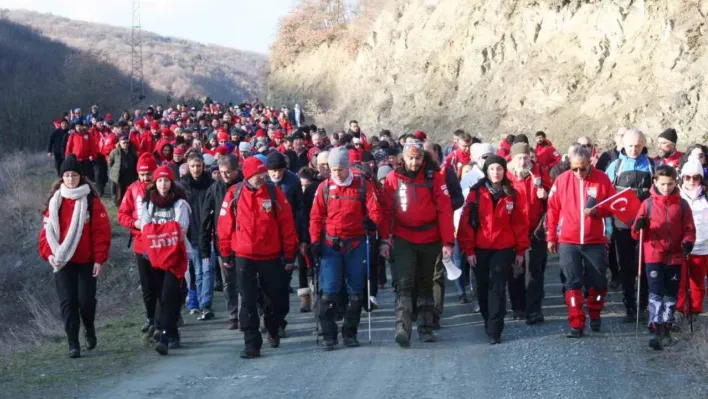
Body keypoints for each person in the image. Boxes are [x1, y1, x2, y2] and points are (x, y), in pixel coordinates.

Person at [217, 157, 298, 359]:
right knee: (248, 301)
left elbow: (287, 224)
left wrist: (289, 254)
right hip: (244, 256)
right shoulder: (234, 194)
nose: (261, 177)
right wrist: (225, 253)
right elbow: (224, 226)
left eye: (263, 174)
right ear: (248, 175)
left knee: (274, 299)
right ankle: (251, 343)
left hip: (270, 256)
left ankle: (273, 327)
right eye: (257, 175)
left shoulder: (273, 193)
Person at [379, 140, 455, 347]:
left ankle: (426, 327)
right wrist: (385, 239)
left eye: (418, 158)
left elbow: (445, 211)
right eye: (410, 158)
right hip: (403, 237)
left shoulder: (435, 178)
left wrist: (448, 242)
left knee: (425, 283)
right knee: (404, 282)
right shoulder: (393, 179)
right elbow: (386, 212)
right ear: (403, 158)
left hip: (429, 238)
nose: (414, 162)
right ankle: (402, 327)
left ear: (424, 158)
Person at [38, 155, 112, 358]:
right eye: (67, 175)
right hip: (62, 261)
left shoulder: (90, 201)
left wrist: (99, 258)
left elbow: (101, 232)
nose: (71, 179)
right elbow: (46, 234)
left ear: (81, 177)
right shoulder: (56, 202)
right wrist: (49, 254)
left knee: (86, 301)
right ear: (62, 178)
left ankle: (89, 327)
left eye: (74, 175)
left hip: (86, 261)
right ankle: (73, 343)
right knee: (68, 303)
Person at [309, 148, 382, 349]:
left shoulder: (362, 186)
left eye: (340, 169)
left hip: (356, 244)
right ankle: (328, 335)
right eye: (333, 169)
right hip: (331, 245)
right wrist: (315, 241)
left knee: (356, 291)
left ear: (347, 167)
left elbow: (376, 211)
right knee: (329, 291)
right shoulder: (324, 188)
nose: (337, 173)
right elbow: (315, 217)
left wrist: (371, 222)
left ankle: (350, 333)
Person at [458, 155, 529, 344]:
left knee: (497, 287)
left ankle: (495, 329)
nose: (496, 173)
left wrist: (521, 251)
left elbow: (520, 224)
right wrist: (469, 250)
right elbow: (466, 224)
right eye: (492, 169)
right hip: (480, 248)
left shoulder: (512, 194)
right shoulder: (475, 194)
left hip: (503, 247)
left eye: (499, 169)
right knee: (482, 287)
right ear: (486, 171)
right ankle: (487, 319)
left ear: (504, 171)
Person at [547, 144, 616, 338]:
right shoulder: (561, 180)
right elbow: (552, 210)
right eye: (574, 168)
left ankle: (595, 311)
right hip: (568, 240)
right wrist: (551, 236)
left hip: (595, 240)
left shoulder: (602, 179)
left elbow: (612, 205)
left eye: (582, 168)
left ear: (590, 164)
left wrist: (598, 212)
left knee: (599, 282)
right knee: (572, 282)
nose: (578, 172)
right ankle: (576, 322)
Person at [632, 165, 695, 349]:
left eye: (669, 183)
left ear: (676, 182)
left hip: (675, 256)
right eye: (662, 184)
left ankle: (667, 324)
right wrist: (639, 226)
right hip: (654, 256)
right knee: (656, 292)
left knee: (671, 293)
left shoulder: (682, 205)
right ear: (655, 182)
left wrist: (688, 241)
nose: (666, 187)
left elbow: (689, 229)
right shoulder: (648, 204)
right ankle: (655, 325)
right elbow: (636, 234)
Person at [139, 165, 192, 355]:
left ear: (172, 183)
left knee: (171, 294)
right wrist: (164, 231)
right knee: (161, 295)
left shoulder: (180, 204)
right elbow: (144, 226)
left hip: (175, 256)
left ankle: (162, 334)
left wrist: (159, 231)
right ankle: (172, 333)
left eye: (166, 180)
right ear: (155, 183)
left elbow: (181, 229)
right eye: (160, 180)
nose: (163, 184)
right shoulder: (148, 203)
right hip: (154, 256)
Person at [604, 129, 654, 322]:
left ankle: (643, 306)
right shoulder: (615, 166)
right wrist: (607, 225)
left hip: (645, 225)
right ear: (623, 145)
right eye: (631, 145)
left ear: (643, 144)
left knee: (644, 265)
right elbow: (606, 195)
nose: (635, 149)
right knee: (626, 267)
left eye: (639, 145)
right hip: (622, 226)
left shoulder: (651, 165)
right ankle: (630, 308)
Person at [507, 143, 552, 324]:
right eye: (519, 158)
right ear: (512, 159)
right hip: (513, 231)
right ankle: (518, 307)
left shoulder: (539, 173)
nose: (523, 161)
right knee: (516, 270)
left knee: (535, 270)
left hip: (536, 230)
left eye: (526, 157)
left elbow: (554, 197)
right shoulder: (507, 176)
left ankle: (534, 310)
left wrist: (546, 195)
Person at [266, 151, 307, 337]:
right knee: (264, 285)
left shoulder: (292, 182)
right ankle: (265, 317)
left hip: (287, 239)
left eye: (279, 170)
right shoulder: (260, 182)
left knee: (282, 284)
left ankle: (280, 321)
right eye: (272, 171)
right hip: (265, 241)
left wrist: (302, 238)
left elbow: (301, 211)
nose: (276, 174)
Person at [200, 154, 243, 330]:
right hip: (222, 243)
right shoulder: (214, 189)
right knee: (228, 282)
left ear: (236, 171)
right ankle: (233, 314)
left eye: (228, 172)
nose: (225, 175)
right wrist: (204, 246)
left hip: (243, 241)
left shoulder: (244, 187)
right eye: (222, 172)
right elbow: (206, 219)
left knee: (245, 280)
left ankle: (246, 313)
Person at [181, 152, 215, 320]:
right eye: (193, 166)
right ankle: (201, 302)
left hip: (208, 232)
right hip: (192, 232)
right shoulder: (182, 186)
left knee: (208, 269)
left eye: (199, 166)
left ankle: (205, 304)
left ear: (203, 166)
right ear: (188, 166)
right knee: (198, 271)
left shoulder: (211, 184)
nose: (196, 169)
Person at [677, 159, 708, 326]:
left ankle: (695, 311)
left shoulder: (706, 195)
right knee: (680, 281)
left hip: (703, 246)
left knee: (698, 282)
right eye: (687, 177)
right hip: (681, 246)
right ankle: (679, 311)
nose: (691, 181)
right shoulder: (676, 194)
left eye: (695, 177)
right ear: (682, 178)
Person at [109, 136, 139, 207]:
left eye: (127, 143)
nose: (126, 144)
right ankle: (118, 203)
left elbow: (136, 160)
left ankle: (129, 202)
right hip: (119, 175)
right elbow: (110, 162)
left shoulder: (132, 151)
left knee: (129, 190)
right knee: (119, 192)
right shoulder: (115, 152)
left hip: (130, 175)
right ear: (120, 143)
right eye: (124, 143)